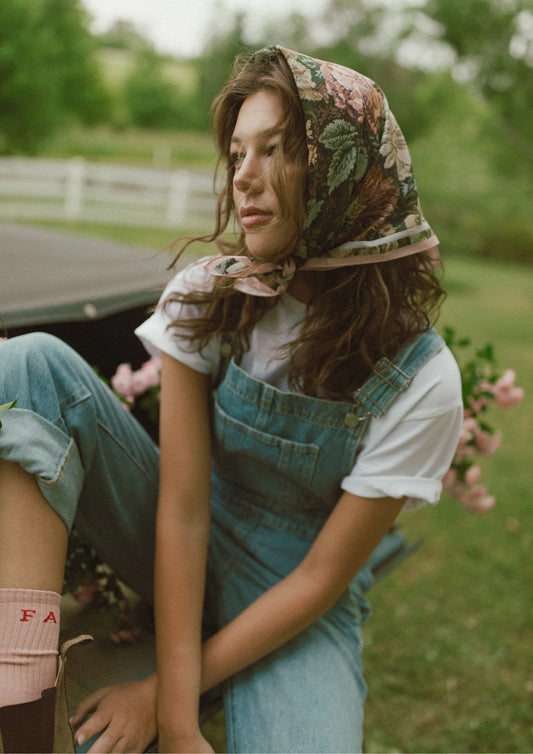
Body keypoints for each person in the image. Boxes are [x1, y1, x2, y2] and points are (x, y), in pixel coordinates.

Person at [0, 46, 463, 753]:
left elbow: (319, 581)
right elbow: (184, 511)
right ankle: (19, 710)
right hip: (179, 534)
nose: (242, 175)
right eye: (238, 152)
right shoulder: (211, 295)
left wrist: (165, 697)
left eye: (275, 150)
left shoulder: (423, 378)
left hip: (296, 595)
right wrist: (180, 717)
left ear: (347, 171)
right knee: (31, 363)